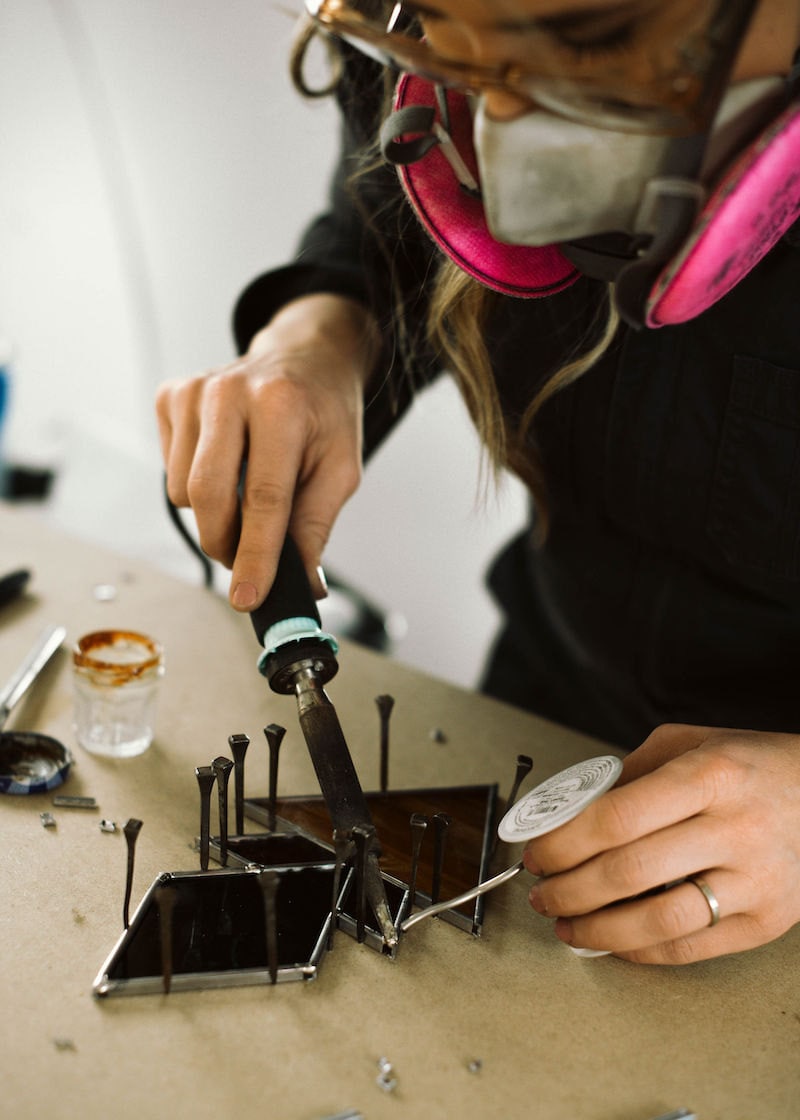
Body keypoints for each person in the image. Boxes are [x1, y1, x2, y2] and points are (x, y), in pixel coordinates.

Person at [156, 0, 800, 965]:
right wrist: (326, 328)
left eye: (588, 43)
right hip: (543, 719)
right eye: (447, 56)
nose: (512, 171)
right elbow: (393, 221)